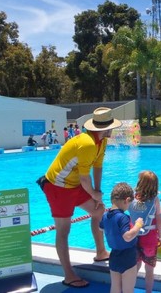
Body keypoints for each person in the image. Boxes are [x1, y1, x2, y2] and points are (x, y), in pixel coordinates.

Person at [37, 107, 122, 288]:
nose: (112, 130)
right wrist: (92, 193)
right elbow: (85, 177)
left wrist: (97, 193)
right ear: (104, 128)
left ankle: (100, 252)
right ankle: (68, 275)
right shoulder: (87, 143)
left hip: (74, 184)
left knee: (98, 210)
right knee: (63, 230)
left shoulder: (101, 141)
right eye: (111, 127)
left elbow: (97, 168)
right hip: (58, 187)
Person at [100, 182, 144, 293]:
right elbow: (127, 237)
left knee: (115, 288)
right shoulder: (123, 217)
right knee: (128, 290)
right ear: (126, 200)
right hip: (127, 257)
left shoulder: (105, 216)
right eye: (129, 203)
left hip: (114, 256)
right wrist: (138, 225)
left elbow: (101, 228)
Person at [129, 171, 161, 293]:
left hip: (133, 236)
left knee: (134, 268)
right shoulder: (155, 200)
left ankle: (129, 289)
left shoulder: (131, 198)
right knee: (149, 270)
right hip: (150, 239)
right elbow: (159, 220)